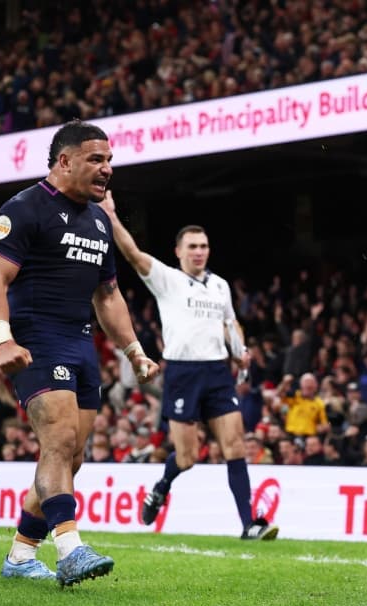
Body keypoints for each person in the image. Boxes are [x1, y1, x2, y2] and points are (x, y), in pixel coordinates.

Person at [0, 120, 159, 586]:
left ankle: (20, 556)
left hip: (81, 345)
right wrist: (3, 340)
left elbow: (108, 296)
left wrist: (134, 351)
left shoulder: (99, 220)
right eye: (96, 159)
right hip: (35, 340)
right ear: (65, 161)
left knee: (71, 456)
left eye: (110, 160)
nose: (107, 169)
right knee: (57, 441)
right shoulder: (23, 209)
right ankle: (70, 549)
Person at [102, 191, 278, 541]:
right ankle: (161, 486)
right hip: (182, 373)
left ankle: (249, 525)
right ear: (178, 251)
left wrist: (239, 350)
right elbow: (134, 255)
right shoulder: (167, 279)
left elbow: (231, 323)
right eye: (193, 246)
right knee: (186, 457)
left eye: (204, 246)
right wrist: (110, 215)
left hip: (217, 372)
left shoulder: (220, 286)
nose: (199, 251)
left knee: (235, 447)